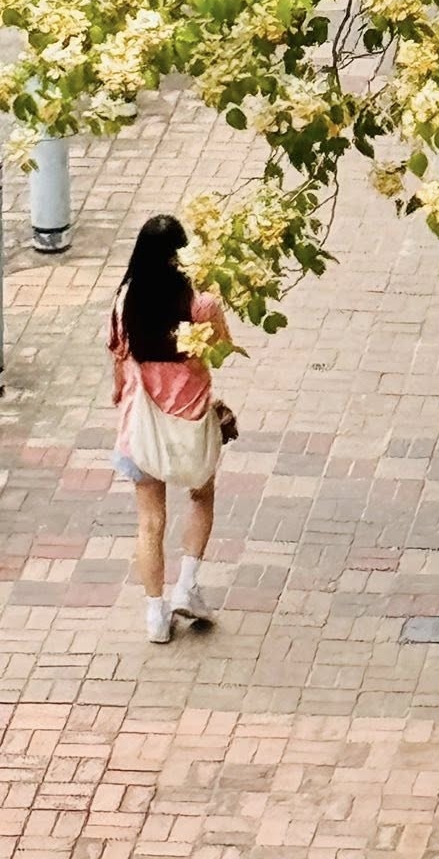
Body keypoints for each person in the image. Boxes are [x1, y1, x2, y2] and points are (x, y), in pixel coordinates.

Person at [108, 213, 231, 643]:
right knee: (201, 496)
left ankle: (155, 617)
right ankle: (187, 585)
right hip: (191, 421)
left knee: (149, 521)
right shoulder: (201, 305)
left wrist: (118, 393)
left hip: (141, 426)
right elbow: (222, 349)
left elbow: (119, 363)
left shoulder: (127, 301)